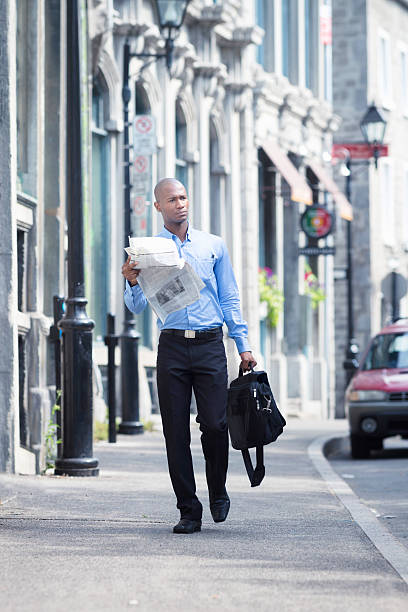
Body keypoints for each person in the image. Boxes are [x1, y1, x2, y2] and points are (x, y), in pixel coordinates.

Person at [122, 178, 256, 534]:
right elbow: (136, 306)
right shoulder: (146, 251)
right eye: (171, 199)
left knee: (216, 424)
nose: (179, 204)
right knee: (175, 432)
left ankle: (218, 489)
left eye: (183, 197)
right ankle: (188, 509)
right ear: (158, 207)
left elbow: (229, 297)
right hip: (172, 347)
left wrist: (242, 345)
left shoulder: (214, 246)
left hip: (211, 344)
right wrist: (131, 280)